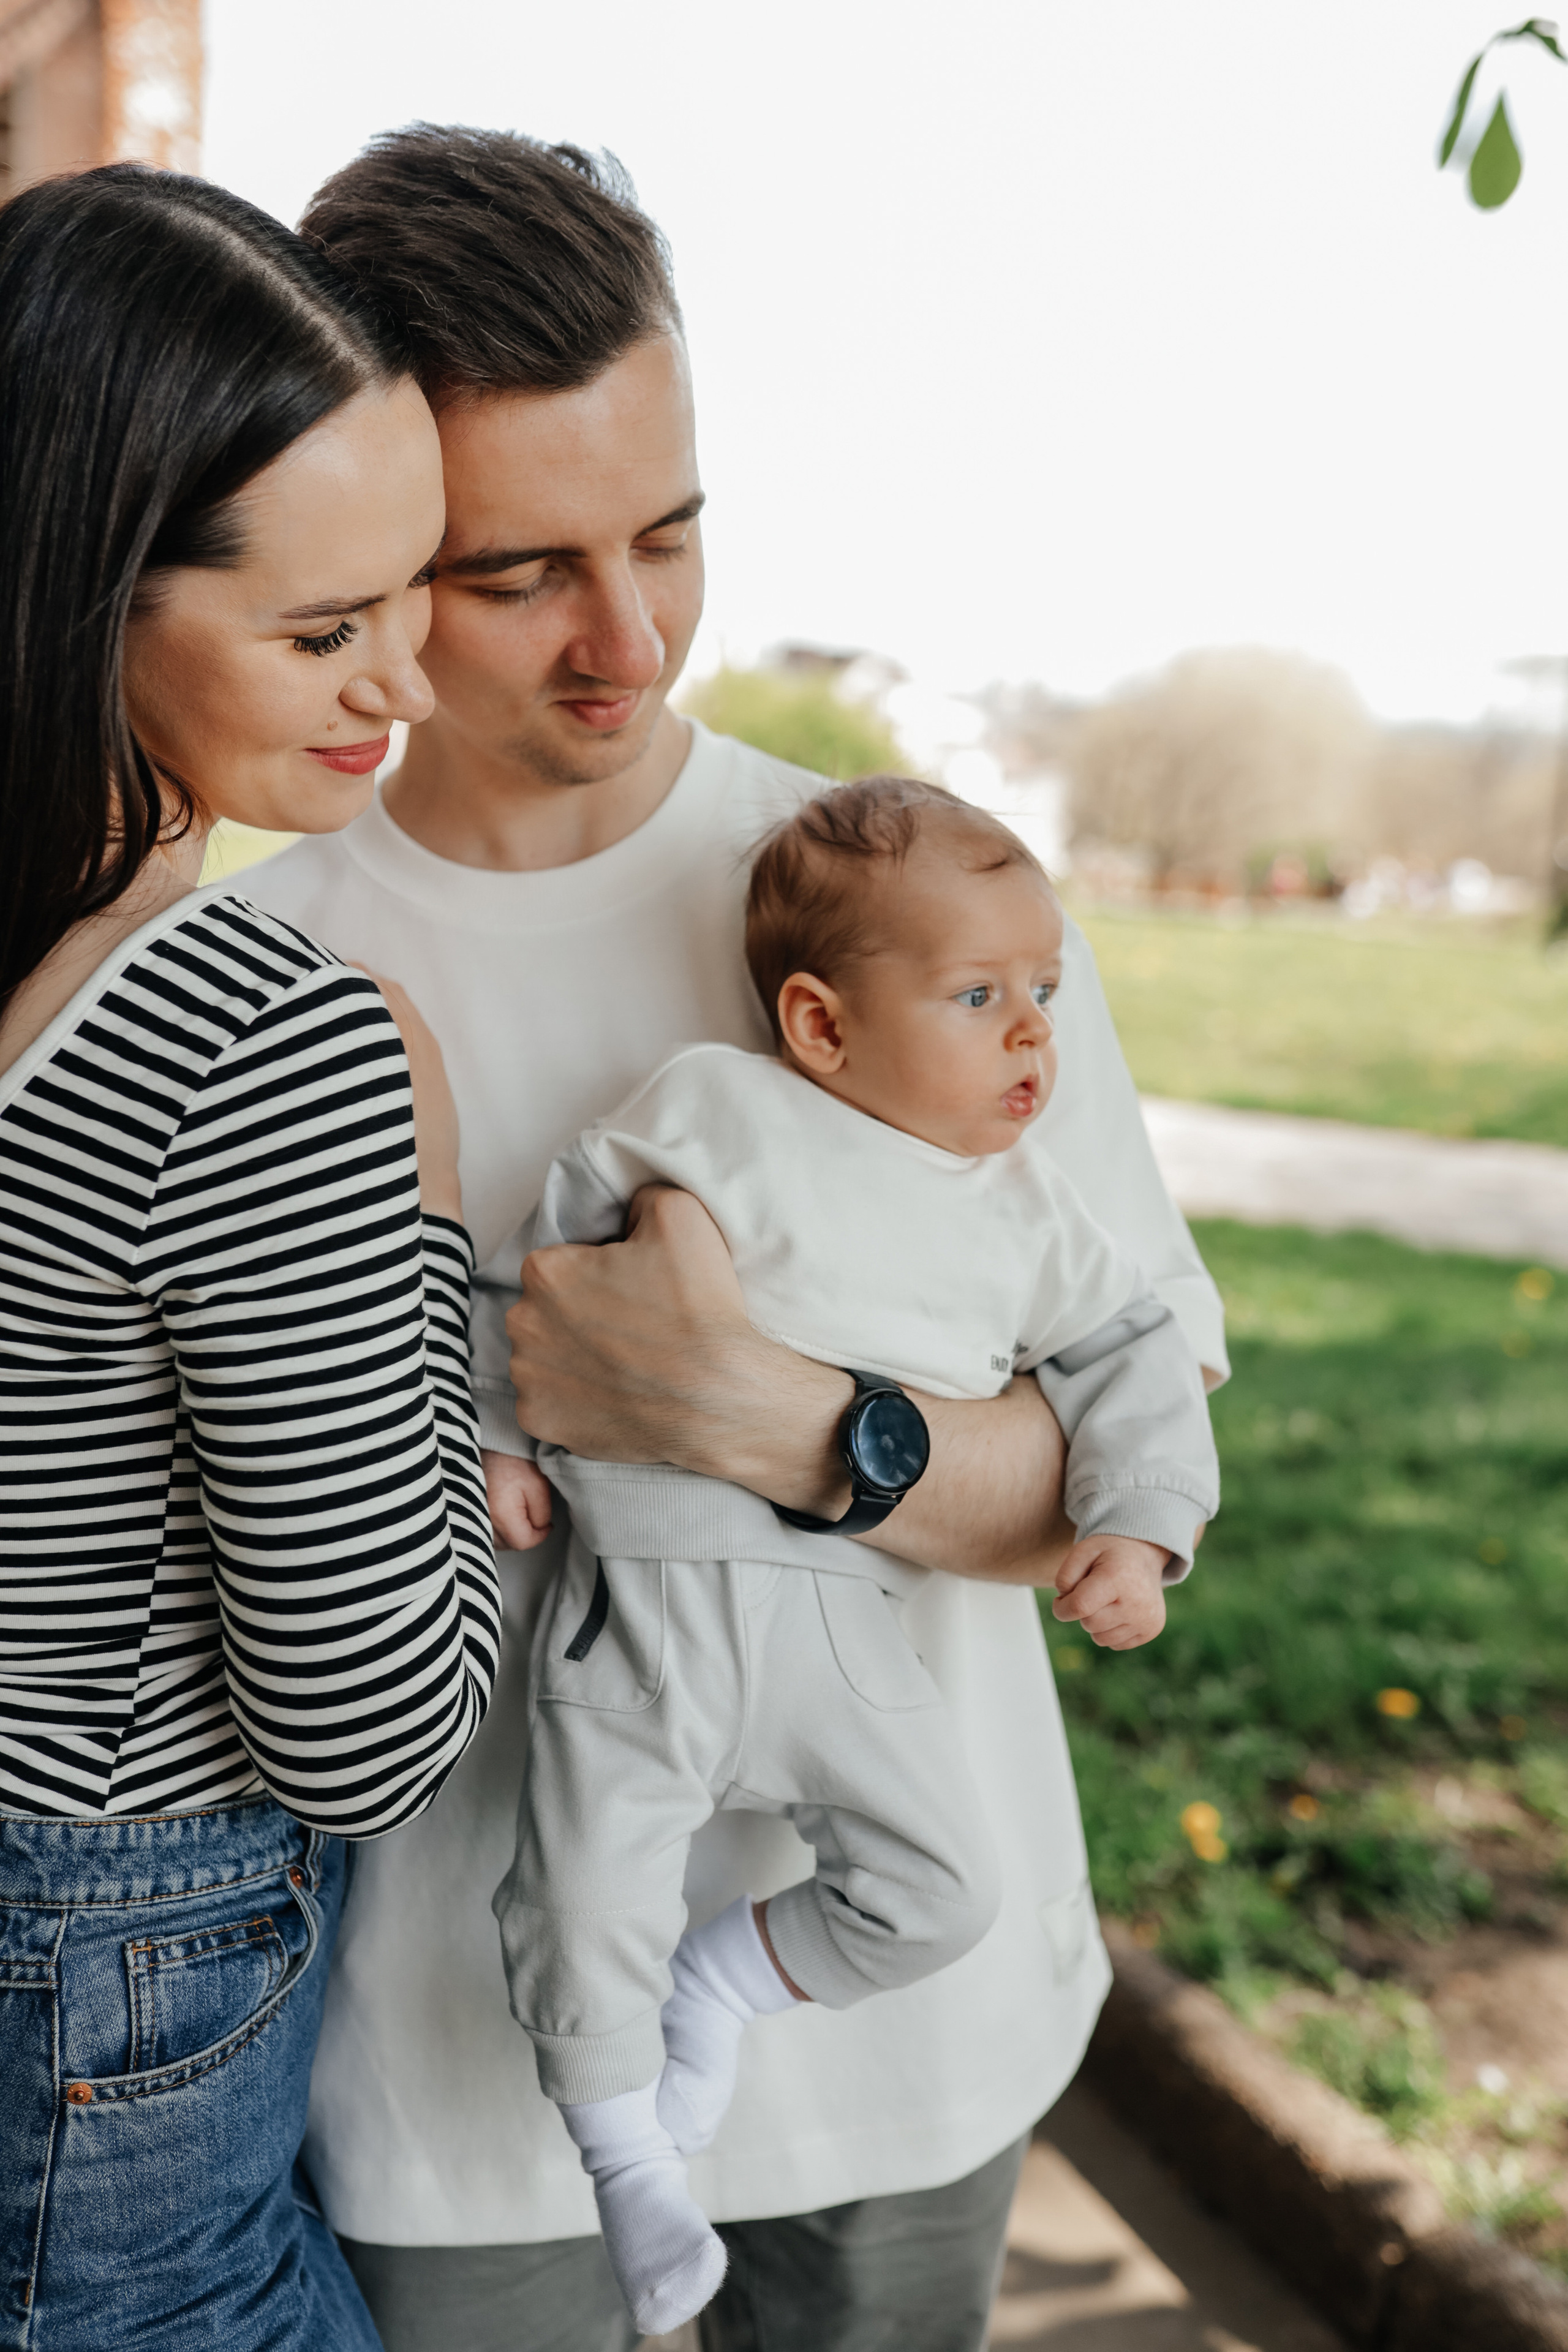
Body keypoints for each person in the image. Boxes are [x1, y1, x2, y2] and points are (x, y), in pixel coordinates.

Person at [252, 125, 1227, 2352]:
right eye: (521, 574)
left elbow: (1128, 1422)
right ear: (373, 536)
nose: (632, 637)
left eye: (672, 531)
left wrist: (776, 1419)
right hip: (457, 2073)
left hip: (902, 2044)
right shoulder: (266, 976)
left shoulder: (911, 902)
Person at [492, 774, 1221, 2334]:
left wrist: (1138, 1527)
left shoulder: (1026, 1214)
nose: (1032, 1032)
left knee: (940, 1888)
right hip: (639, 1609)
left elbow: (1135, 1360)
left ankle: (728, 1984)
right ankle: (626, 2158)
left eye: (1044, 990)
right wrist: (496, 1431)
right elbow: (541, 1266)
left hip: (842, 1627)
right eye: (978, 996)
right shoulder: (715, 1107)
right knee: (578, 1889)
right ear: (819, 1026)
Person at [0, 165, 501, 2349]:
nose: (405, 681)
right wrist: (467, 1380)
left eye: (416, 589)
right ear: (85, 593)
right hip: (121, 1977)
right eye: (320, 632)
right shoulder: (263, 1038)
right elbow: (368, 1722)